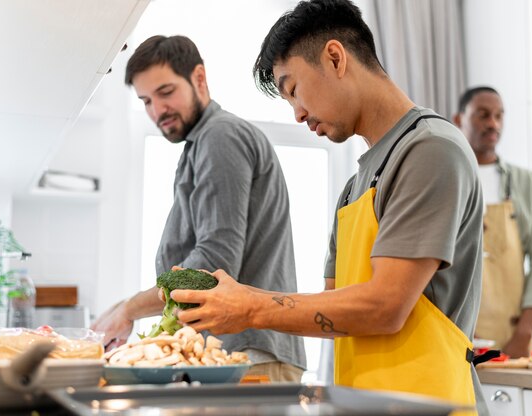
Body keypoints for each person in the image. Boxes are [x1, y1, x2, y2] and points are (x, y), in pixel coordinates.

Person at [167, 1, 487, 414]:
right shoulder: (355, 187)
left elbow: (384, 307)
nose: (298, 113)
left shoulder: (430, 150)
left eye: (293, 89)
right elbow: (337, 312)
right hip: (366, 404)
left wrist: (250, 307)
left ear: (335, 57)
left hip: (432, 404)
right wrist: (240, 304)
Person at [91, 35, 306, 382]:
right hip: (237, 356)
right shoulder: (201, 144)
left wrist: (130, 309)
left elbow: (211, 266)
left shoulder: (220, 137)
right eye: (146, 101)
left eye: (165, 92)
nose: (157, 110)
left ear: (199, 78)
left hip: (247, 357)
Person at [453, 86, 532, 358]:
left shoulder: (527, 185)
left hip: (517, 337)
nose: (493, 124)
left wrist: (522, 335)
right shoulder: (446, 181)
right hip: (458, 337)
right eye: (483, 115)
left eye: (499, 116)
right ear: (458, 120)